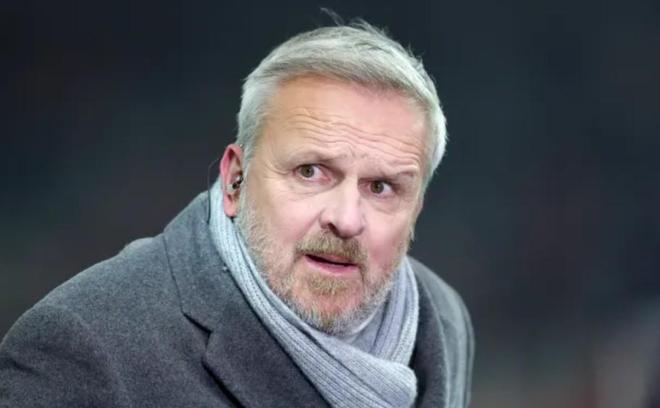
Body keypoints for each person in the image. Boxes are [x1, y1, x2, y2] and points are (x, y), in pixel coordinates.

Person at [0, 21, 474, 407]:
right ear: (234, 180)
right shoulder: (84, 347)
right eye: (310, 172)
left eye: (382, 187)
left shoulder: (443, 318)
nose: (347, 219)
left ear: (416, 208)